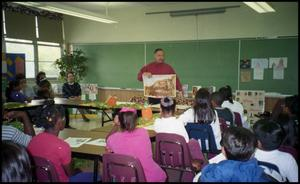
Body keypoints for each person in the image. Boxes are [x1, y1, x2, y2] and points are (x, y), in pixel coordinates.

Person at [27, 100, 99, 182]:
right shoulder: (62, 146)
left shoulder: (33, 141)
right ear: (60, 122)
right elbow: (71, 173)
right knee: (97, 176)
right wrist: (78, 170)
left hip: (42, 179)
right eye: (64, 117)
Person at [106, 107, 167, 182]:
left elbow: (108, 139)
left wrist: (115, 125)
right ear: (136, 121)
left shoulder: (113, 139)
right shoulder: (143, 132)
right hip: (150, 177)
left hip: (126, 178)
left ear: (119, 121)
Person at [194, 127, 271, 182]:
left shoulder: (216, 172)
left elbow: (198, 179)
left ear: (223, 150)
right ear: (253, 153)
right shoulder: (260, 174)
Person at [154, 97, 206, 172]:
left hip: (164, 158)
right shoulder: (179, 123)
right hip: (181, 159)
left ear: (160, 109)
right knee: (193, 142)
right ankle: (203, 168)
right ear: (175, 109)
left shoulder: (157, 122)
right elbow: (186, 143)